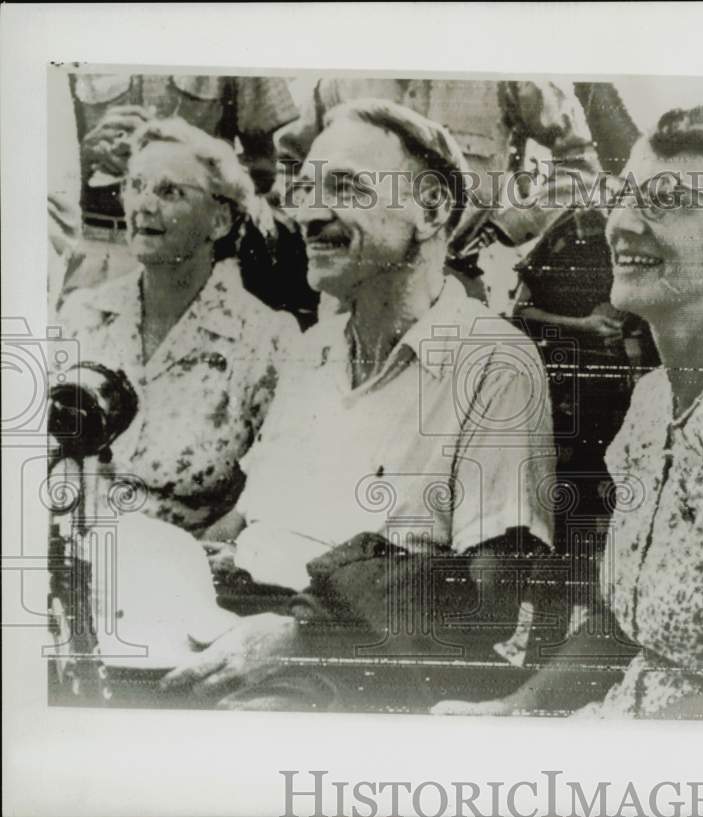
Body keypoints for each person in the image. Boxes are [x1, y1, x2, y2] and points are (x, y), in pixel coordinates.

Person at [434, 106, 703, 720]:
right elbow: (621, 630)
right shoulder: (651, 403)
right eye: (623, 196)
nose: (621, 223)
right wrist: (515, 712)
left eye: (666, 200)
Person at [160, 100, 557, 710]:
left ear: (431, 210)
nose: (310, 212)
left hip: (364, 668)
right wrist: (178, 564)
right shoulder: (312, 351)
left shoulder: (493, 363)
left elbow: (485, 608)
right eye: (306, 188)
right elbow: (246, 520)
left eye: (344, 187)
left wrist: (303, 634)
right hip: (233, 621)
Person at [56, 117, 298, 536]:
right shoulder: (82, 314)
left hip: (184, 576)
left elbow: (269, 493)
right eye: (135, 185)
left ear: (219, 220)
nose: (143, 205)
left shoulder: (265, 341)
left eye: (170, 192)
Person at [276, 77, 601, 303]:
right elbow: (290, 159)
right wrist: (323, 219)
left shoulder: (508, 72)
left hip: (462, 279)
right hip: (353, 289)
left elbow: (581, 163)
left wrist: (510, 226)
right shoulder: (343, 79)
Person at [61, 72, 317, 328]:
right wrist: (79, 157)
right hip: (96, 250)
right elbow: (38, 171)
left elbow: (268, 166)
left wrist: (198, 172)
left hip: (197, 258)